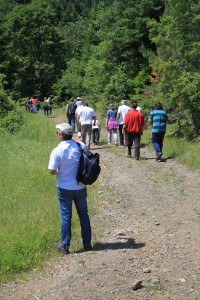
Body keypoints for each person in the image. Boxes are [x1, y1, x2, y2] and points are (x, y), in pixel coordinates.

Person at [48, 123, 92, 254]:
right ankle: (87, 244)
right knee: (83, 215)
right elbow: (80, 142)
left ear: (60, 135)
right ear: (71, 135)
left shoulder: (57, 150)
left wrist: (59, 172)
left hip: (64, 187)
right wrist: (71, 138)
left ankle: (65, 246)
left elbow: (52, 170)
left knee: (66, 217)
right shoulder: (80, 146)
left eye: (58, 133)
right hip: (80, 186)